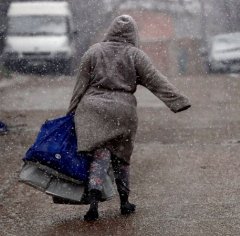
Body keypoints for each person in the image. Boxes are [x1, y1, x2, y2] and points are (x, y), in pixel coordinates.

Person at [67, 15, 191, 221]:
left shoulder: (94, 52)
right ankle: (124, 202)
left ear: (110, 30)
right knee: (122, 157)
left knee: (100, 155)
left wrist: (70, 113)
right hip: (122, 111)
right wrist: (178, 101)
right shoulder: (136, 55)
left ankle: (94, 201)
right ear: (133, 33)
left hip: (93, 109)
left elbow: (80, 86)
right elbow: (156, 81)